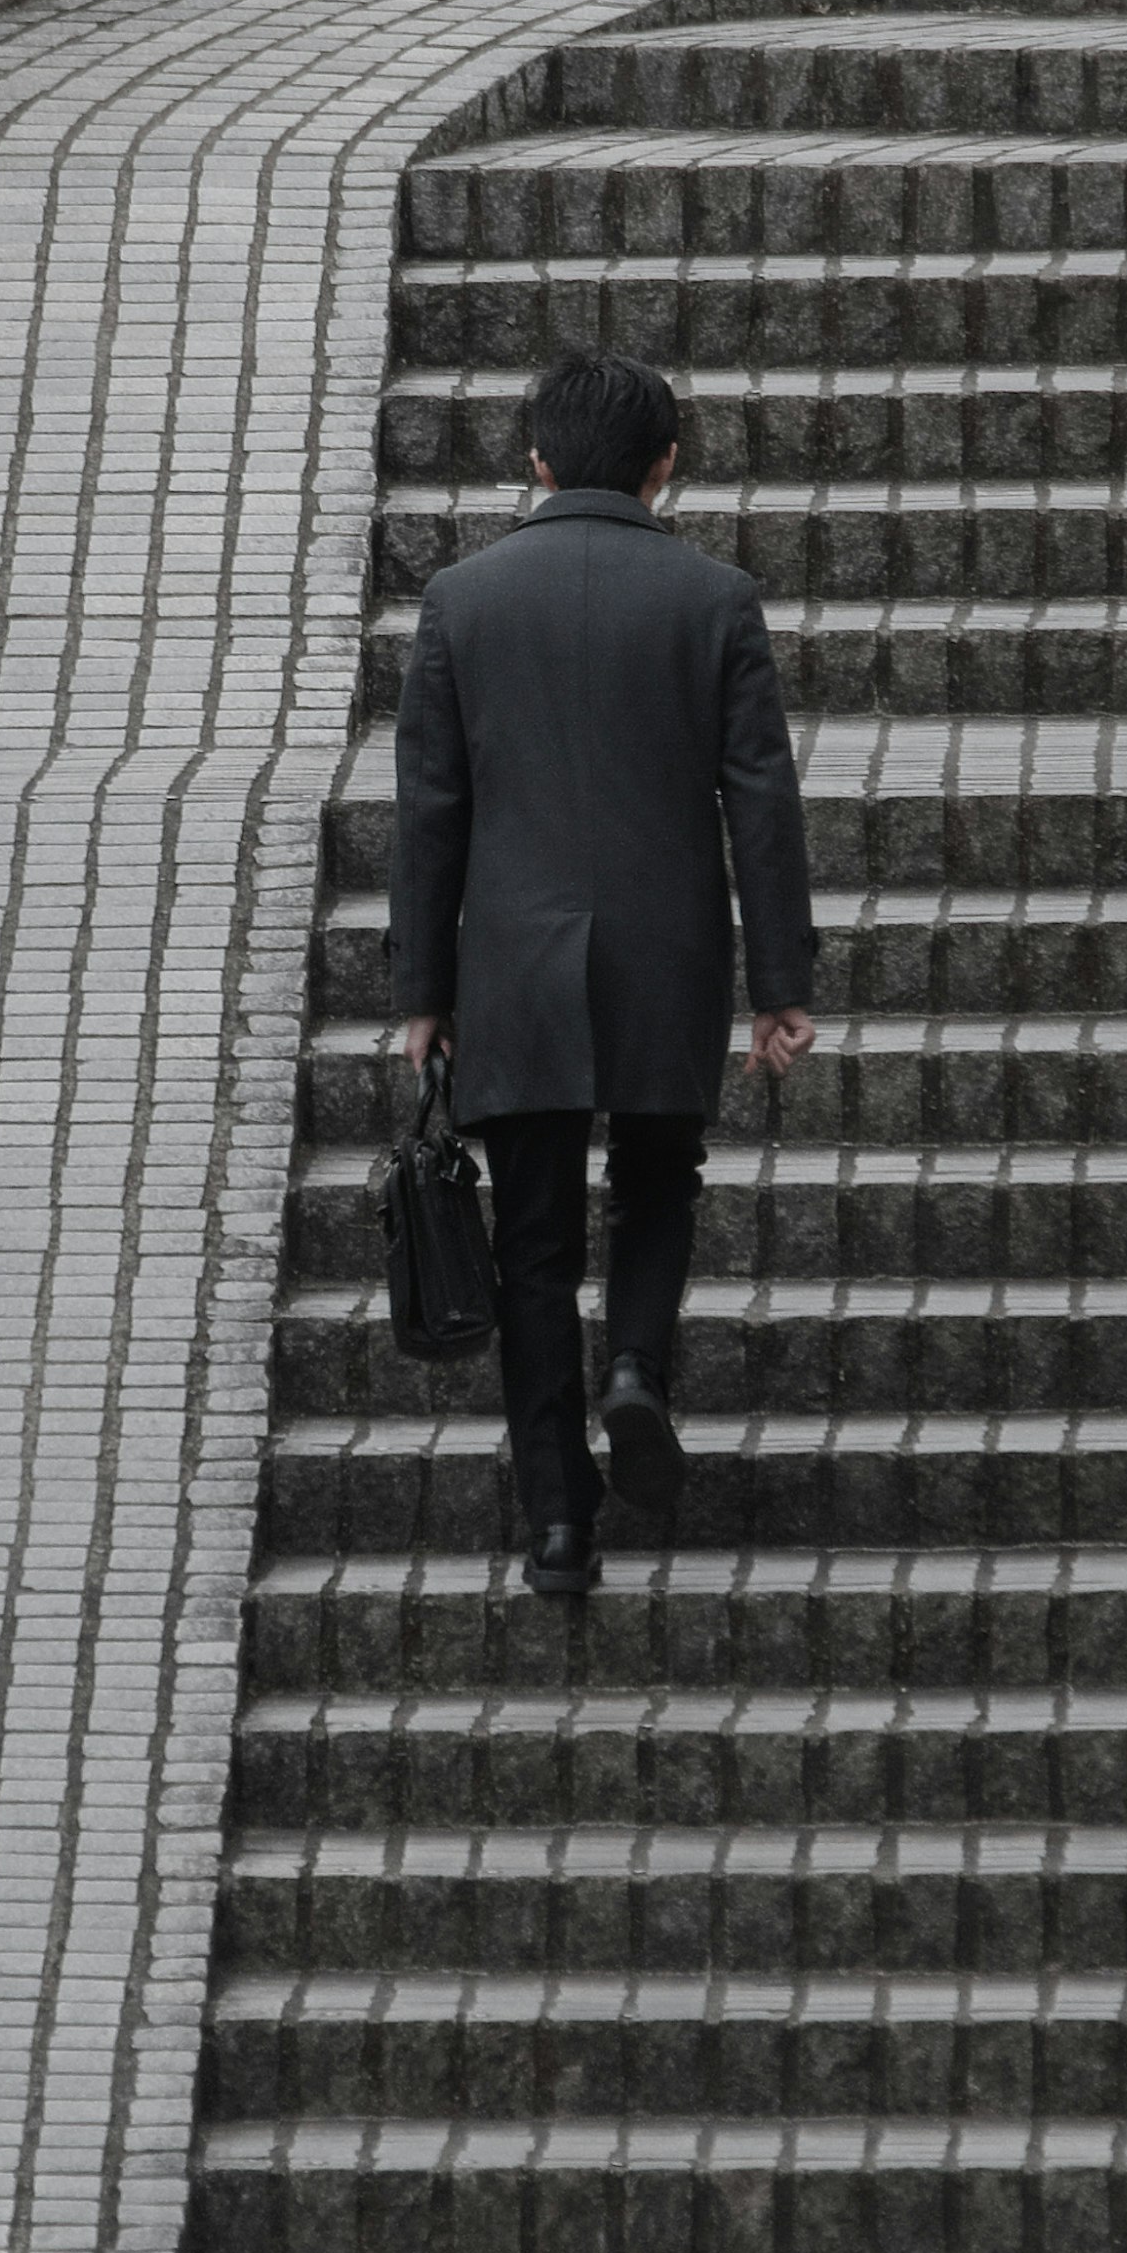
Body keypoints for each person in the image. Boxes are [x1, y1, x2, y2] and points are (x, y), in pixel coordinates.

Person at [388, 346, 819, 1596]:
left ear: (535, 460)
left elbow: (431, 809)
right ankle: (636, 1365)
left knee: (529, 1243)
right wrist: (779, 979)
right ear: (665, 464)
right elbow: (763, 804)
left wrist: (423, 989)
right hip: (666, 950)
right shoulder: (715, 597)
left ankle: (559, 1520)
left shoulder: (463, 601)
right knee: (657, 1182)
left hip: (515, 964)